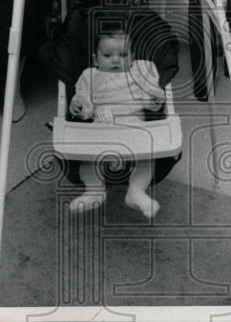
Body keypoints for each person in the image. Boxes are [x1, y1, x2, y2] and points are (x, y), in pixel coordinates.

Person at [68, 32, 164, 218]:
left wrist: (155, 97)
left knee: (147, 157)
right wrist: (78, 105)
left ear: (132, 57)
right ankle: (94, 191)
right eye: (107, 56)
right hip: (102, 124)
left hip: (134, 123)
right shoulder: (90, 76)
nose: (115, 61)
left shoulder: (140, 72)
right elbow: (84, 106)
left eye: (122, 55)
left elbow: (152, 103)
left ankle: (136, 191)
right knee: (87, 156)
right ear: (96, 59)